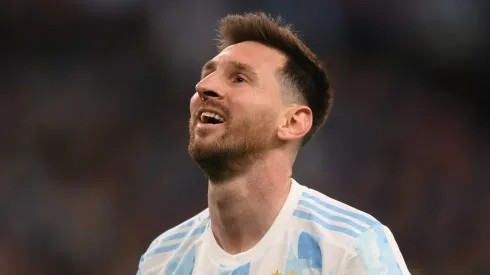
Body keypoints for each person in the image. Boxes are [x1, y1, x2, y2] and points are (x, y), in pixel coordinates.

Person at [137, 12, 410, 275]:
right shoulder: (163, 260)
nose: (204, 87)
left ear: (292, 122)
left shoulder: (349, 247)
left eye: (239, 79)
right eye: (207, 74)